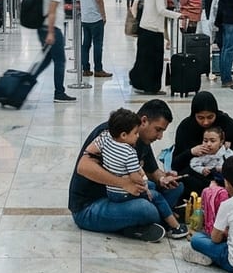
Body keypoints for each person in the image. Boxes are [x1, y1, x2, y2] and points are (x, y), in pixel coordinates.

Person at [69, 99, 182, 241]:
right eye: (158, 130)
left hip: (121, 197)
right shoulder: (112, 133)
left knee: (175, 188)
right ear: (144, 121)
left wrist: (163, 178)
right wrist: (123, 183)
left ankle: (151, 221)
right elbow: (83, 167)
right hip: (90, 206)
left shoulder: (140, 139)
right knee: (147, 209)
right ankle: (155, 220)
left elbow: (152, 171)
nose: (160, 137)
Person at [171, 91, 233, 198]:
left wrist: (224, 152)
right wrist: (191, 152)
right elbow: (176, 164)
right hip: (198, 173)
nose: (205, 122)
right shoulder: (186, 127)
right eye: (200, 118)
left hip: (224, 172)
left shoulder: (226, 123)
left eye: (210, 117)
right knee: (183, 178)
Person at [129, 0, 184, 94]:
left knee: (144, 60)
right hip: (154, 31)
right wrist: (178, 15)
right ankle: (152, 88)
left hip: (144, 29)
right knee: (155, 62)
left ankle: (142, 84)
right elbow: (160, 10)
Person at [38, 0, 76, 103]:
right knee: (60, 61)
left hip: (44, 26)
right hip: (52, 28)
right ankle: (59, 92)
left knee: (46, 60)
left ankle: (23, 84)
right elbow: (52, 10)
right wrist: (51, 32)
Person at [78, 0, 111, 78]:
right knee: (98, 44)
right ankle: (98, 69)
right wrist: (103, 15)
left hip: (85, 18)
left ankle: (85, 69)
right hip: (96, 18)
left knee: (85, 44)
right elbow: (99, 0)